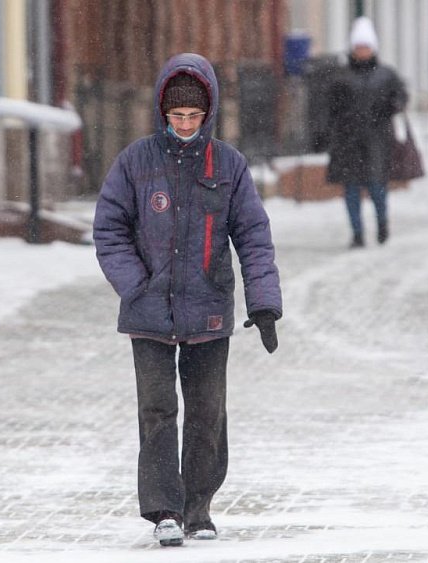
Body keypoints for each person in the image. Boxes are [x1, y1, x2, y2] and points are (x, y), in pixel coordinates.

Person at [93, 52, 282, 547]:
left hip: (208, 308)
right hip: (149, 310)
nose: (184, 126)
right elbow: (109, 229)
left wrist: (264, 303)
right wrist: (136, 283)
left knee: (206, 411)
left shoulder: (229, 166)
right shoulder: (136, 162)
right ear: (163, 112)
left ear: (208, 114)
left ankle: (199, 508)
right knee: (157, 410)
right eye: (176, 117)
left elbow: (254, 237)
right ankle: (163, 511)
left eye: (193, 117)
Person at [326, 16, 408, 249]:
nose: (362, 51)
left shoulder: (386, 75)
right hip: (348, 140)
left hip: (376, 139)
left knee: (377, 187)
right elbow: (331, 107)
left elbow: (400, 95)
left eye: (366, 46)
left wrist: (394, 105)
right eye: (358, 46)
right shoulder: (341, 77)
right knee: (351, 189)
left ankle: (382, 223)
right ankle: (357, 233)